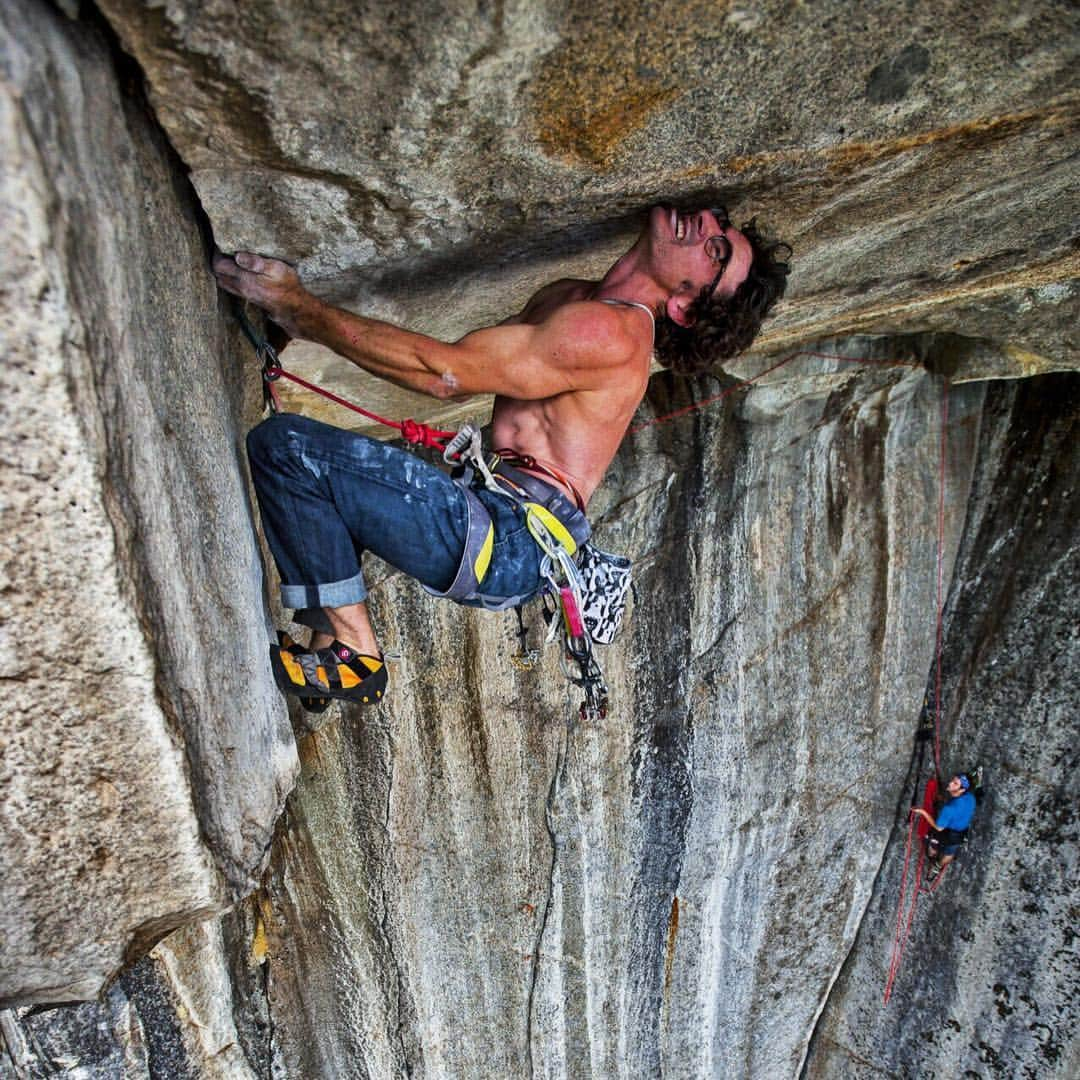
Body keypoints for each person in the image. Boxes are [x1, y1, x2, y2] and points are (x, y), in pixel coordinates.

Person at [212, 206, 791, 706]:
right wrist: (301, 323)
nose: (707, 226)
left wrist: (298, 309)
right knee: (341, 480)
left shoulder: (610, 334)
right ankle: (325, 644)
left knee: (288, 448)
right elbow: (461, 366)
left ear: (686, 307)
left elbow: (443, 374)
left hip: (510, 536)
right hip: (498, 516)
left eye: (716, 251)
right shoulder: (570, 298)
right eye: (721, 224)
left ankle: (355, 655)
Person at [912, 773, 977, 873]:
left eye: (955, 783)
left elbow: (938, 828)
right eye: (953, 780)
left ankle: (932, 855)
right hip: (961, 832)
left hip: (948, 833)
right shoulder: (970, 797)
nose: (950, 783)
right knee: (950, 852)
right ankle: (939, 866)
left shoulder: (948, 809)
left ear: (962, 789)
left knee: (932, 842)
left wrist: (923, 812)